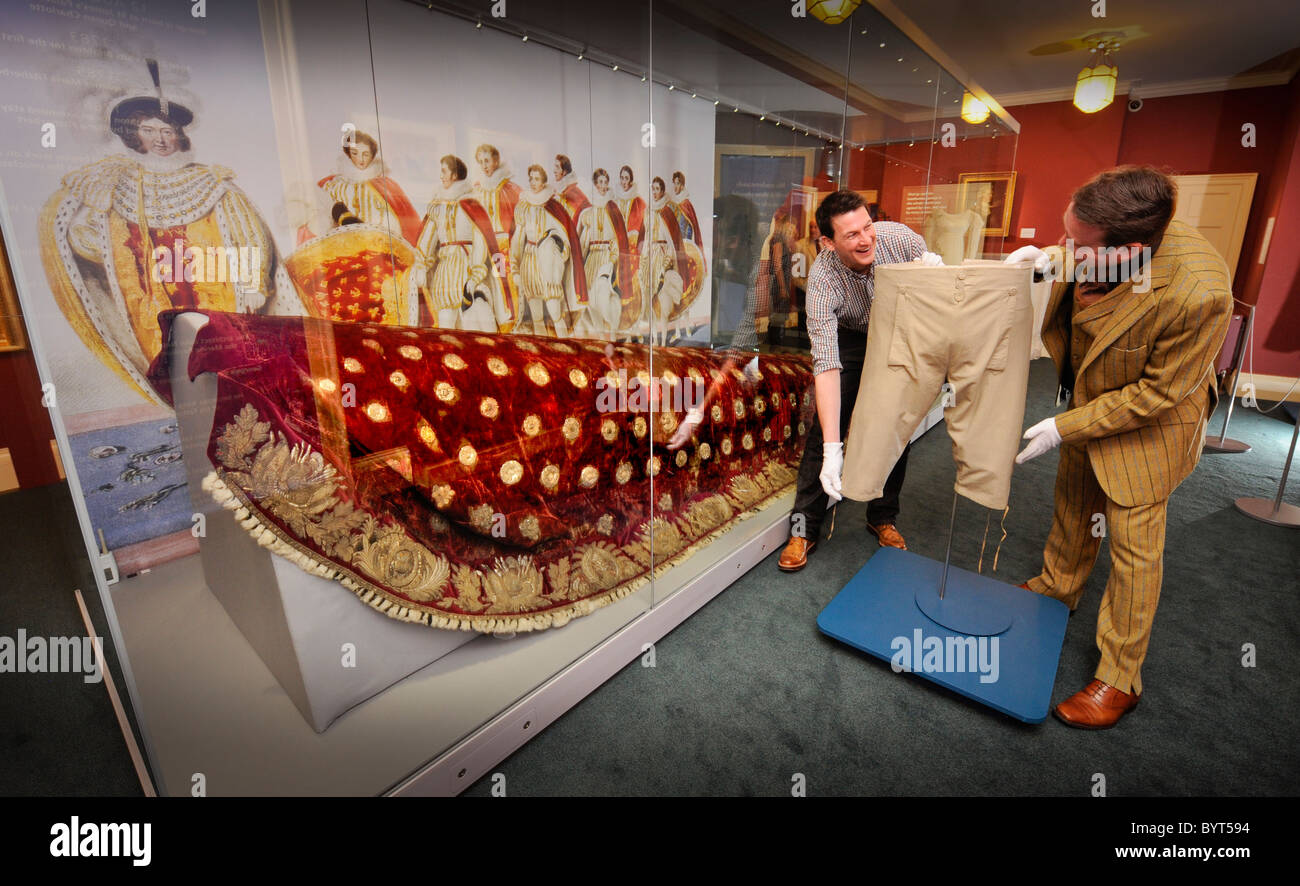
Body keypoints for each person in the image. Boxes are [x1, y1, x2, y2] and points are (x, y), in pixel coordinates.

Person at [1011, 165, 1232, 729]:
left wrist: (1063, 426)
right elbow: (1080, 251)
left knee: (1133, 551)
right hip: (1093, 390)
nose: (1069, 250)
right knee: (1074, 499)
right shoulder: (1102, 237)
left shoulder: (1199, 292)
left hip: (1152, 421)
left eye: (1076, 247)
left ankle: (1120, 676)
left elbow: (1157, 392)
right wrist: (1047, 259)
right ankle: (1057, 588)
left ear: (1130, 249)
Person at [40, 58, 299, 405]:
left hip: (215, 293)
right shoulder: (118, 182)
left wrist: (253, 284)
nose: (160, 140)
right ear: (135, 134)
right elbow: (96, 243)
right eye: (149, 130)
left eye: (167, 131)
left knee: (226, 368)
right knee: (174, 374)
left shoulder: (213, 183)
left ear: (179, 135)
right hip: (151, 299)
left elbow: (247, 236)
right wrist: (85, 241)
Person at [775, 190, 941, 572]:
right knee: (822, 433)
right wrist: (836, 446)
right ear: (828, 243)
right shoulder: (822, 282)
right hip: (849, 339)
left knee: (893, 427)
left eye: (867, 227)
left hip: (896, 332)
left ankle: (882, 516)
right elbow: (827, 365)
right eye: (852, 235)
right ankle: (804, 528)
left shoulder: (901, 241)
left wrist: (935, 274)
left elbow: (939, 304)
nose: (865, 239)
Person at [409, 154, 502, 332]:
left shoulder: (470, 206)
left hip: (466, 267)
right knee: (445, 325)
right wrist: (422, 264)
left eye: (444, 171)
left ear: (455, 175)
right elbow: (427, 239)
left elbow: (481, 241)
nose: (441, 176)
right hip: (445, 270)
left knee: (472, 325)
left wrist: (475, 277)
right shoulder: (437, 208)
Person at [510, 164, 587, 337]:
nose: (533, 182)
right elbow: (517, 239)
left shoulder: (553, 206)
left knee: (555, 312)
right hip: (529, 260)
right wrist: (515, 267)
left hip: (548, 263)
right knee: (536, 316)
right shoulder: (524, 206)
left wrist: (557, 254)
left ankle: (564, 346)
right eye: (531, 178)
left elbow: (564, 238)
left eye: (537, 178)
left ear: (544, 182)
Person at [308, 130, 421, 245]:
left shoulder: (385, 186)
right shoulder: (334, 185)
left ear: (372, 156)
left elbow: (402, 221)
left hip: (377, 245)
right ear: (348, 154)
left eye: (365, 154)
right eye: (355, 153)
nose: (360, 159)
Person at [473, 143, 522, 330]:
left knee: (504, 285)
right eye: (481, 162)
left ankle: (510, 323)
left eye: (488, 160)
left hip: (502, 245)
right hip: (482, 245)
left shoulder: (509, 189)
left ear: (495, 161)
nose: (485, 165)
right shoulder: (477, 189)